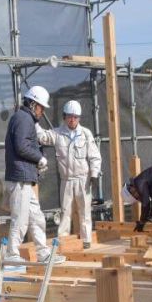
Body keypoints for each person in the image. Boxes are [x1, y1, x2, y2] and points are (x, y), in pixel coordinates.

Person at [3, 85, 65, 264]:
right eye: (40, 107)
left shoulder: (25, 119)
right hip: (20, 178)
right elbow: (22, 146)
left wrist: (36, 163)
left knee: (36, 217)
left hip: (24, 177)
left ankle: (43, 253)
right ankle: (12, 255)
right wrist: (39, 158)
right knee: (20, 218)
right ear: (32, 104)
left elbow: (24, 146)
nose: (42, 111)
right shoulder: (23, 119)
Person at [36, 100, 102, 248]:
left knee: (85, 211)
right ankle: (63, 242)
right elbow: (42, 136)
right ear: (64, 117)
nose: (72, 119)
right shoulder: (57, 134)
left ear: (79, 118)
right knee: (65, 212)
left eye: (75, 117)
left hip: (83, 180)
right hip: (66, 180)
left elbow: (94, 156)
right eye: (69, 116)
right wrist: (33, 120)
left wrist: (94, 175)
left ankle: (86, 241)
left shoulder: (85, 134)